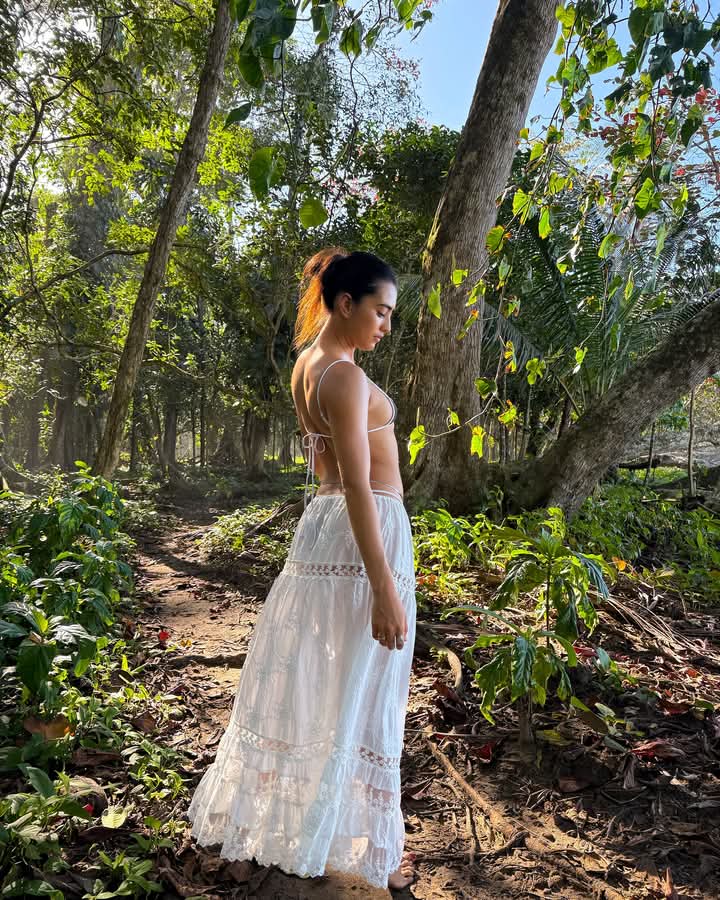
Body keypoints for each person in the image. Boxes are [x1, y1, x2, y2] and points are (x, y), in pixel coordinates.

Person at [186, 247, 418, 892]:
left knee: (331, 676)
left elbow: (332, 475)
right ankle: (359, 847)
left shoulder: (309, 364)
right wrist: (383, 587)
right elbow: (357, 483)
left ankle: (321, 824)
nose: (386, 325)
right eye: (380, 310)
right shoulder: (343, 376)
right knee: (362, 681)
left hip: (327, 529)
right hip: (361, 531)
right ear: (345, 303)